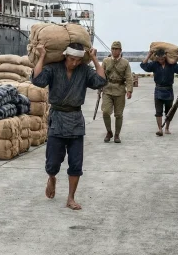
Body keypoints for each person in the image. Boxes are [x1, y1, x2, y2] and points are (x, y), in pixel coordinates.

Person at [32, 43, 106, 210]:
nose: (74, 63)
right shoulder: (53, 69)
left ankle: (71, 198)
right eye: (72, 59)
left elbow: (101, 80)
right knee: (52, 162)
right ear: (65, 56)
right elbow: (37, 80)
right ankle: (52, 178)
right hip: (57, 118)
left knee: (76, 163)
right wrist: (42, 55)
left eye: (78, 60)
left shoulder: (84, 71)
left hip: (76, 120)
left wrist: (94, 58)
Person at [141, 48, 178, 136]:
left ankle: (167, 128)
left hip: (168, 90)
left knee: (169, 111)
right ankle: (160, 129)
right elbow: (143, 66)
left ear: (165, 57)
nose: (161, 61)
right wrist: (149, 55)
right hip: (158, 89)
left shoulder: (171, 65)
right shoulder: (154, 64)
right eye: (159, 59)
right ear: (157, 58)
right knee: (158, 111)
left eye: (162, 59)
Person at [101, 41, 133, 143]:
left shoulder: (125, 63)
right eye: (113, 49)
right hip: (107, 89)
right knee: (106, 112)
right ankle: (109, 131)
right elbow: (101, 76)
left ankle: (117, 135)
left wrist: (129, 90)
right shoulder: (106, 61)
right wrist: (99, 87)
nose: (114, 51)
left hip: (119, 90)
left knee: (118, 114)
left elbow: (129, 77)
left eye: (117, 49)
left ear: (120, 50)